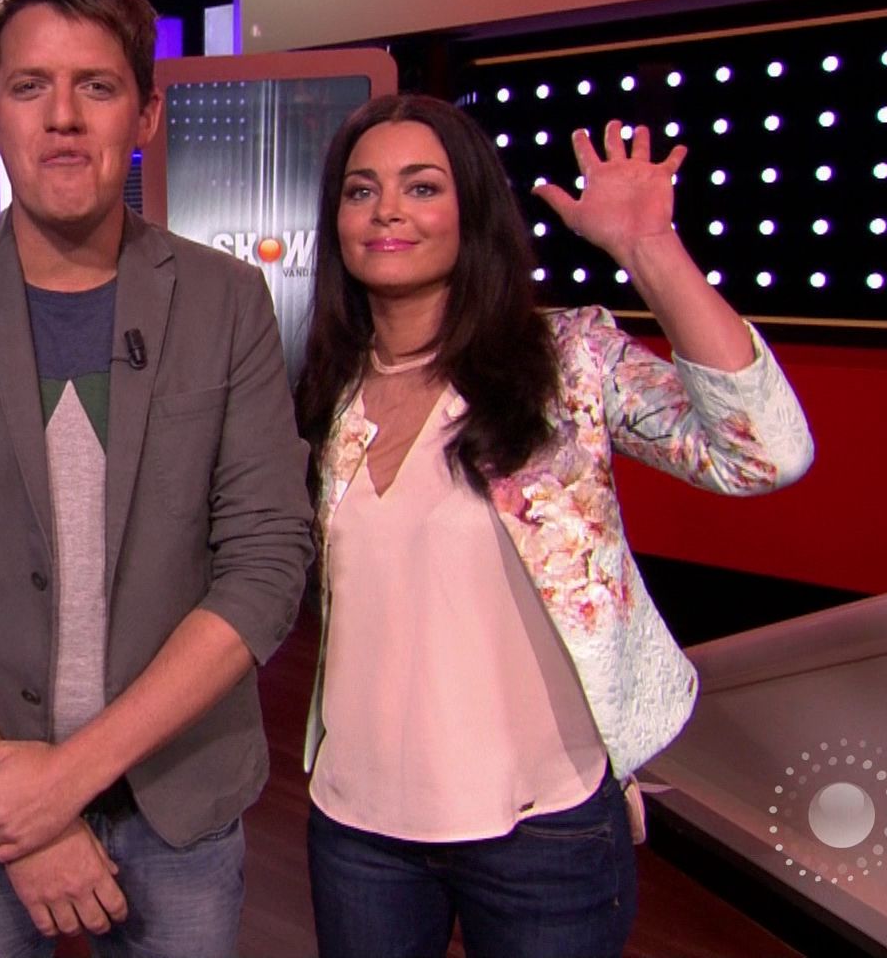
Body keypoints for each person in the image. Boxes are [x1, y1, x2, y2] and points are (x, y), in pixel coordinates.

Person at [0, 0, 314, 957]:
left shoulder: (227, 302)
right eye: (30, 87)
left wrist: (66, 781)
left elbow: (266, 562)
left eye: (96, 86)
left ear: (145, 114)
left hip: (176, 805)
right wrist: (22, 811)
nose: (62, 117)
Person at [293, 94, 814, 958]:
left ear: (472, 213)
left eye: (421, 187)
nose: (386, 210)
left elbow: (764, 453)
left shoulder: (566, 361)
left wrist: (649, 247)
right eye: (361, 190)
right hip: (359, 831)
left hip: (544, 831)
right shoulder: (327, 390)